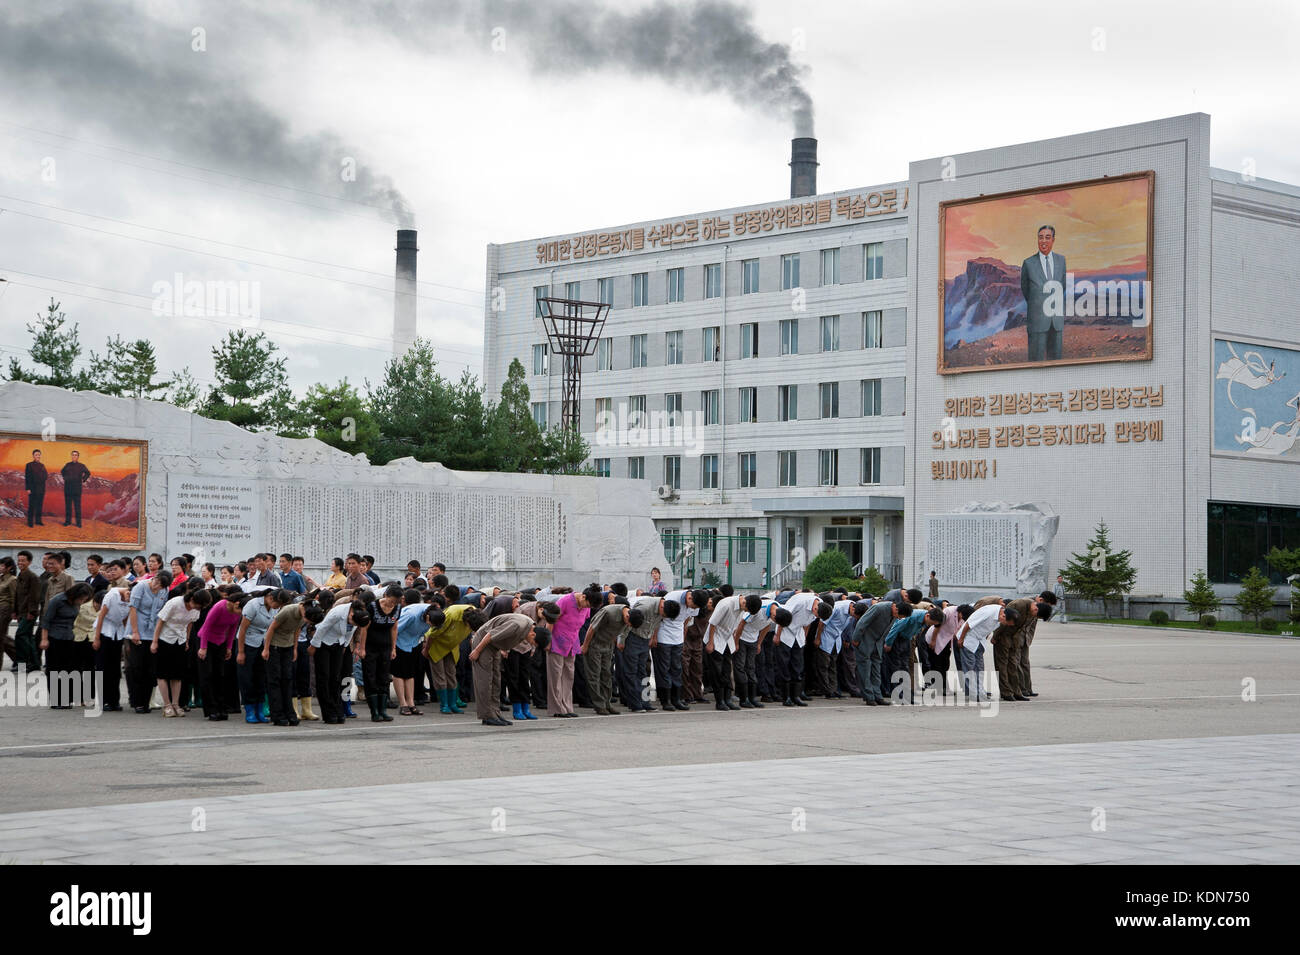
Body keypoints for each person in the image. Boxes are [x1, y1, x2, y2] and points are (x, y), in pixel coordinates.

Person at [262, 594, 324, 727]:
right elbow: (271, 628)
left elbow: (297, 631)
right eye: (306, 618)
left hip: (288, 646)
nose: (306, 620)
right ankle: (277, 715)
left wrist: (295, 649)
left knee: (288, 678)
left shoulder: (304, 616)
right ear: (304, 609)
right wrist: (266, 649)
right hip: (274, 646)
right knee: (275, 679)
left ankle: (289, 713)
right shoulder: (288, 610)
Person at [152, 587, 211, 717]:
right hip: (165, 639)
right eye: (196, 605)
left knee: (177, 674)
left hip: (180, 640)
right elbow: (160, 621)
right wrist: (155, 641)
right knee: (163, 673)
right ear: (191, 598)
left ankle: (175, 704)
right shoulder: (174, 603)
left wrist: (187, 640)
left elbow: (190, 623)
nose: (196, 608)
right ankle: (167, 705)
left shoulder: (196, 610)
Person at [310, 598, 369, 724]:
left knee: (336, 677)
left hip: (338, 644)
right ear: (351, 614)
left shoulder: (358, 615)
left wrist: (344, 646)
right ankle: (328, 712)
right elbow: (322, 629)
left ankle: (338, 709)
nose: (353, 625)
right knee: (324, 677)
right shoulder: (337, 613)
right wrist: (313, 645)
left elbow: (350, 633)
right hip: (323, 643)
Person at [773, 592, 833, 707]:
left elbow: (807, 625)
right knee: (785, 666)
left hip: (798, 634)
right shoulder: (800, 602)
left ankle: (796, 696)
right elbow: (783, 617)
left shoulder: (820, 607)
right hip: (785, 632)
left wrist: (804, 638)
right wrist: (777, 635)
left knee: (798, 666)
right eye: (816, 615)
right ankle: (786, 697)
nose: (816, 617)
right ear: (815, 608)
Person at [548, 584, 600, 718]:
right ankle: (557, 708)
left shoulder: (586, 607)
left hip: (572, 643)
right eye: (587, 604)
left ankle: (567, 707)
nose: (586, 608)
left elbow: (583, 624)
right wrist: (548, 641)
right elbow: (551, 621)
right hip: (557, 641)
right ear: (583, 596)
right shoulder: (565, 601)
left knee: (569, 675)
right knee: (556, 675)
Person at [40, 582, 94, 708]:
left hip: (70, 638)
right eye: (81, 599)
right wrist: (44, 639)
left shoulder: (76, 604)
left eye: (84, 599)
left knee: (67, 669)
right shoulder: (58, 600)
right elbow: (46, 621)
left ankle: (65, 699)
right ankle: (55, 700)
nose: (81, 601)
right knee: (54, 669)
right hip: (55, 638)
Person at [581, 603, 641, 715]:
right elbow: (591, 628)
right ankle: (599, 705)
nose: (628, 626)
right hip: (595, 644)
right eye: (629, 624)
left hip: (608, 646)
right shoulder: (609, 612)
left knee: (607, 675)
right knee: (594, 675)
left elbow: (619, 633)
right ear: (627, 616)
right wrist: (585, 646)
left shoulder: (631, 617)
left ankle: (607, 703)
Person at [126, 570, 173, 713]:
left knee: (150, 669)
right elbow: (133, 609)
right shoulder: (140, 587)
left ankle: (145, 702)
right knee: (136, 667)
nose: (156, 587)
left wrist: (157, 637)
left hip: (152, 633)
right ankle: (136, 701)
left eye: (160, 586)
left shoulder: (165, 589)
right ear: (154, 578)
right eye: (156, 583)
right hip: (137, 631)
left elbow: (161, 613)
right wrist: (135, 632)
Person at [1020, 223, 1067, 362]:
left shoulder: (1061, 260)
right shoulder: (1028, 263)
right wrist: (1039, 303)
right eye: (1040, 237)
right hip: (1037, 321)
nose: (1043, 241)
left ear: (1053, 239)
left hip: (1056, 322)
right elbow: (1026, 290)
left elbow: (1062, 286)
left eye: (1047, 237)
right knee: (1035, 364)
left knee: (1056, 365)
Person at [235, 586, 282, 723]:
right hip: (247, 642)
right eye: (276, 603)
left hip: (262, 643)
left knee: (261, 678)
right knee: (247, 678)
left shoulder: (274, 607)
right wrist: (241, 652)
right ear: (270, 598)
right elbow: (242, 629)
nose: (277, 607)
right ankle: (250, 711)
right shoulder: (253, 605)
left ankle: (260, 709)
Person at [196, 589, 245, 721]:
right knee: (207, 675)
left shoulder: (237, 613)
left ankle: (221, 708)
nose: (240, 613)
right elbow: (206, 626)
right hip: (206, 641)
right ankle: (211, 709)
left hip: (221, 642)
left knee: (220, 675)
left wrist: (229, 647)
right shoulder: (220, 606)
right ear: (235, 603)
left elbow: (232, 630)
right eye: (240, 609)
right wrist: (203, 647)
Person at [357, 586, 401, 722]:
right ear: (385, 595)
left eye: (395, 602)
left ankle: (383, 710)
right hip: (370, 647)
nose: (392, 604)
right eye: (391, 601)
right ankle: (374, 711)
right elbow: (364, 628)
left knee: (384, 678)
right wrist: (362, 648)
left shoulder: (397, 608)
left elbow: (394, 628)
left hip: (386, 647)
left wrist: (393, 648)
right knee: (371, 678)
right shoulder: (372, 607)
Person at [850, 598, 905, 706]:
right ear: (895, 607)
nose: (897, 618)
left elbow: (886, 631)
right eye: (898, 615)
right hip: (864, 642)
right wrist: (856, 639)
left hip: (877, 645)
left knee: (876, 671)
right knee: (865, 671)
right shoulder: (878, 608)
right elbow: (862, 622)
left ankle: (878, 696)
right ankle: (869, 697)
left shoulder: (895, 615)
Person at [60, 450, 90, 527]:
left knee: (77, 507)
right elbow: (62, 471)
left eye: (76, 455)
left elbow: (88, 473)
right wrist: (65, 478)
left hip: (77, 489)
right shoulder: (67, 465)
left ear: (78, 457)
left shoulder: (81, 465)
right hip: (68, 488)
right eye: (73, 455)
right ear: (71, 456)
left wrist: (83, 479)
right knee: (68, 506)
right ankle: (67, 522)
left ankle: (78, 523)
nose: (74, 456)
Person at [25, 449, 47, 527]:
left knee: (39, 505)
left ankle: (38, 521)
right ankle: (30, 522)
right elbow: (27, 477)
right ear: (33, 456)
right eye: (36, 455)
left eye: (39, 454)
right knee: (31, 506)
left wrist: (39, 478)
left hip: (41, 488)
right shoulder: (29, 465)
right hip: (32, 488)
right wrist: (28, 488)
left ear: (40, 456)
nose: (38, 456)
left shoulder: (42, 465)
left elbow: (45, 476)